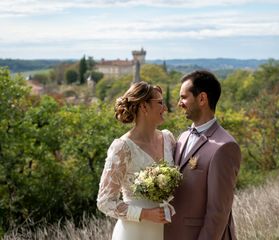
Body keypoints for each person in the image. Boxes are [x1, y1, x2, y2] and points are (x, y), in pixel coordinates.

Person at [164, 70, 241, 240]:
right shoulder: (183, 137)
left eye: (184, 97)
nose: (179, 103)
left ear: (202, 99)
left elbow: (218, 212)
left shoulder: (225, 147)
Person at [97, 81, 176, 240]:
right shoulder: (122, 147)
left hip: (167, 230)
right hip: (133, 232)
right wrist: (145, 214)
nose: (165, 108)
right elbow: (105, 202)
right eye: (160, 103)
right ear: (144, 107)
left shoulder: (168, 138)